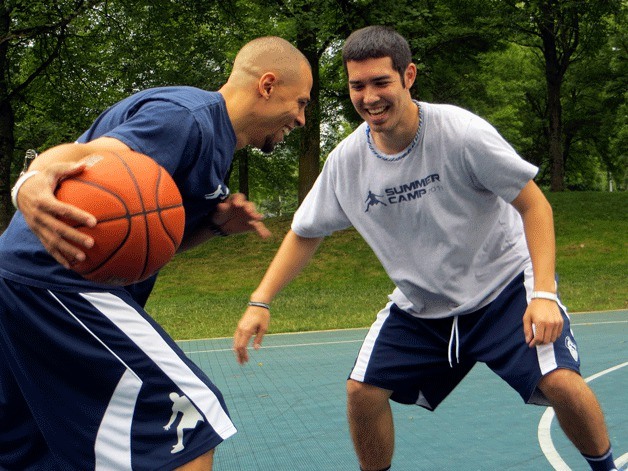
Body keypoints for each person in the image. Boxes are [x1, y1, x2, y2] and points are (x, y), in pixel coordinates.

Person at [233, 26, 619, 471]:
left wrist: (544, 295)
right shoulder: (347, 161)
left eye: (381, 82)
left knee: (561, 383)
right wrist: (260, 301)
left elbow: (535, 205)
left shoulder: (460, 132)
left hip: (505, 289)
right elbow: (306, 232)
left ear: (408, 76)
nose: (369, 96)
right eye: (358, 86)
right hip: (422, 307)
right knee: (362, 392)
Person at [0, 36, 312, 470]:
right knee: (191, 422)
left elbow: (149, 244)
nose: (300, 117)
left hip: (26, 281)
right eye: (299, 102)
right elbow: (89, 157)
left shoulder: (214, 142)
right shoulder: (186, 119)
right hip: (57, 279)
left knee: (32, 450)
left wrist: (216, 226)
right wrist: (29, 184)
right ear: (267, 85)